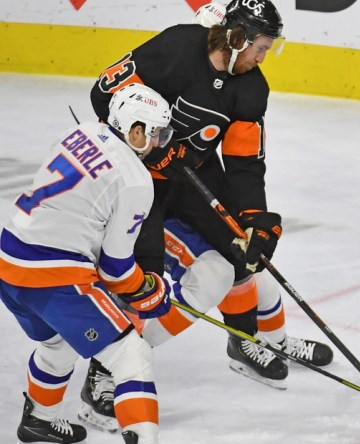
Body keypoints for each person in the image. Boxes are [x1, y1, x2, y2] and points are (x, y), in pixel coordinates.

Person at [79, 0, 335, 429]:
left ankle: (243, 340)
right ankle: (104, 372)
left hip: (192, 171)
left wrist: (254, 216)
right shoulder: (178, 46)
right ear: (236, 39)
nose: (262, 58)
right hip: (136, 177)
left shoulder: (252, 88)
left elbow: (244, 162)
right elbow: (103, 92)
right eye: (260, 47)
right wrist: (152, 147)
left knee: (240, 248)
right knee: (144, 273)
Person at [0, 84, 174, 444]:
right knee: (133, 356)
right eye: (155, 133)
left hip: (9, 259)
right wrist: (149, 290)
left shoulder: (80, 132)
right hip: (53, 277)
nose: (159, 143)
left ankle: (39, 421)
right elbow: (116, 270)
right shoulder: (137, 180)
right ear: (135, 129)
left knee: (59, 344)